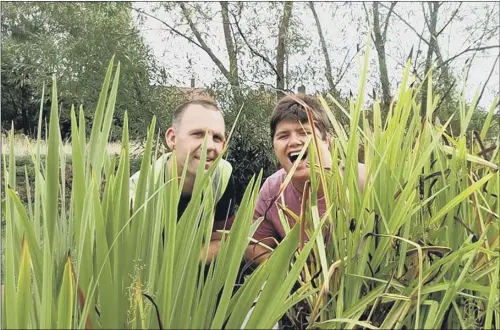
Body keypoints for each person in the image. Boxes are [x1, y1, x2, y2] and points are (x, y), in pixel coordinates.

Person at [246, 94, 366, 264]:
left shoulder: (362, 180)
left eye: (305, 132)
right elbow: (255, 247)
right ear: (274, 146)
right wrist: (291, 276)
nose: (294, 141)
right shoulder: (272, 190)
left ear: (327, 142)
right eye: (283, 135)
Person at [129, 99, 236, 264]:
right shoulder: (137, 195)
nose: (209, 146)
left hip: (197, 277)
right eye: (198, 134)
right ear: (172, 138)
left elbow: (222, 240)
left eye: (217, 138)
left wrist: (181, 265)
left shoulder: (222, 175)